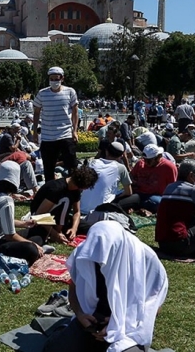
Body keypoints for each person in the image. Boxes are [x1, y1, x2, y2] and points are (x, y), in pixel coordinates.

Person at [43, 221, 168, 352]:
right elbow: (73, 287)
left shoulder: (146, 259)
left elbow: (154, 306)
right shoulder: (86, 254)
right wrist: (80, 314)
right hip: (92, 320)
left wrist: (116, 324)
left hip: (129, 327)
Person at [0, 161, 46, 265]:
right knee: (32, 248)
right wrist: (33, 244)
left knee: (38, 232)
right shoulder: (6, 201)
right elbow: (10, 235)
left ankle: (37, 247)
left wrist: (23, 224)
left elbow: (3, 221)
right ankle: (38, 249)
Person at [26, 165, 99, 245]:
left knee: (92, 229)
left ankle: (61, 231)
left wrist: (74, 228)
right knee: (37, 240)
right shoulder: (56, 189)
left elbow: (77, 212)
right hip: (43, 222)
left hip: (61, 220)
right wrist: (55, 233)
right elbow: (39, 214)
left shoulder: (75, 190)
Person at [33, 66, 79, 184]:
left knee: (72, 165)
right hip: (48, 136)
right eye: (51, 79)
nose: (54, 81)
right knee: (48, 168)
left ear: (62, 78)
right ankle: (50, 193)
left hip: (66, 134)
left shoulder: (70, 92)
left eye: (56, 79)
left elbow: (75, 112)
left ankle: (73, 191)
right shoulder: (42, 94)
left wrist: (75, 131)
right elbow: (36, 112)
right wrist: (34, 131)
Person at [80, 142, 137, 215]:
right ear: (121, 155)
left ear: (106, 151)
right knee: (135, 197)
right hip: (102, 210)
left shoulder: (92, 162)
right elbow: (128, 192)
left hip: (82, 207)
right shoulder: (120, 168)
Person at [129, 144, 178, 214]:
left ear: (158, 157)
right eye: (144, 159)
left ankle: (135, 206)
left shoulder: (168, 167)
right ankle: (137, 206)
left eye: (148, 161)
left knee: (160, 204)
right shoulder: (140, 163)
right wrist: (132, 181)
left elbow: (172, 187)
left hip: (154, 196)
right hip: (137, 193)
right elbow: (131, 175)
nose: (145, 162)